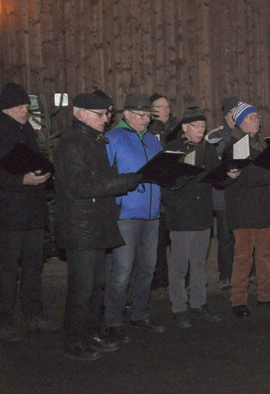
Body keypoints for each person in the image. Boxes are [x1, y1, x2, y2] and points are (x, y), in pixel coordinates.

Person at [53, 91, 141, 361]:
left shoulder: (92, 140)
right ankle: (74, 340)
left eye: (107, 114)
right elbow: (80, 186)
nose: (106, 119)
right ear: (81, 113)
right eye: (101, 114)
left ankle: (90, 333)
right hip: (81, 226)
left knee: (96, 285)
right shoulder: (73, 143)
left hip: (95, 223)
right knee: (82, 288)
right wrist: (123, 181)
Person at [0, 83, 56, 341]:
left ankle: (33, 315)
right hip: (9, 213)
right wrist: (21, 180)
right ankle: (4, 320)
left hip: (33, 212)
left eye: (26, 106)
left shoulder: (27, 131)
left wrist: (44, 174)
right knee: (8, 270)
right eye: (20, 107)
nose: (25, 111)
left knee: (33, 268)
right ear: (7, 109)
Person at [222, 102, 270, 317]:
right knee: (244, 258)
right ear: (239, 122)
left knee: (266, 256)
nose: (256, 121)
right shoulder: (236, 146)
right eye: (250, 117)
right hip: (244, 210)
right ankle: (238, 301)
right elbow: (245, 175)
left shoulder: (261, 143)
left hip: (263, 207)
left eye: (256, 117)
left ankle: (267, 295)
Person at [103, 92, 165, 342]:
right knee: (121, 270)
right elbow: (105, 178)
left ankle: (140, 314)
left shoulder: (152, 141)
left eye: (149, 116)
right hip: (126, 214)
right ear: (127, 114)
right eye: (141, 115)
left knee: (147, 268)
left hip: (151, 213)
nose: (146, 120)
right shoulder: (113, 139)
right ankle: (113, 319)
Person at [162, 107, 224, 328]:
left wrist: (230, 173)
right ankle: (179, 307)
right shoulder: (172, 150)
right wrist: (176, 205)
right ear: (185, 128)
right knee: (179, 266)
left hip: (203, 215)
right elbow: (164, 184)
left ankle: (198, 304)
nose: (200, 130)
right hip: (181, 217)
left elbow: (218, 179)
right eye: (196, 126)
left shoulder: (208, 150)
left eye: (203, 126)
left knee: (199, 264)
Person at [204, 96, 239, 290]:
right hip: (222, 194)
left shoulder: (245, 134)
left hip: (241, 192)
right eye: (232, 113)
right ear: (225, 115)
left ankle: (245, 273)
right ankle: (225, 275)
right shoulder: (214, 136)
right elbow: (209, 165)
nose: (236, 117)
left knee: (242, 236)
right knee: (225, 237)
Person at [147, 93, 177, 294]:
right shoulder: (149, 131)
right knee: (157, 241)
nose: (165, 110)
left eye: (167, 106)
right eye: (160, 107)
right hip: (156, 192)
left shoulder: (177, 129)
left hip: (174, 191)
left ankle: (179, 278)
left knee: (177, 240)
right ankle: (159, 279)